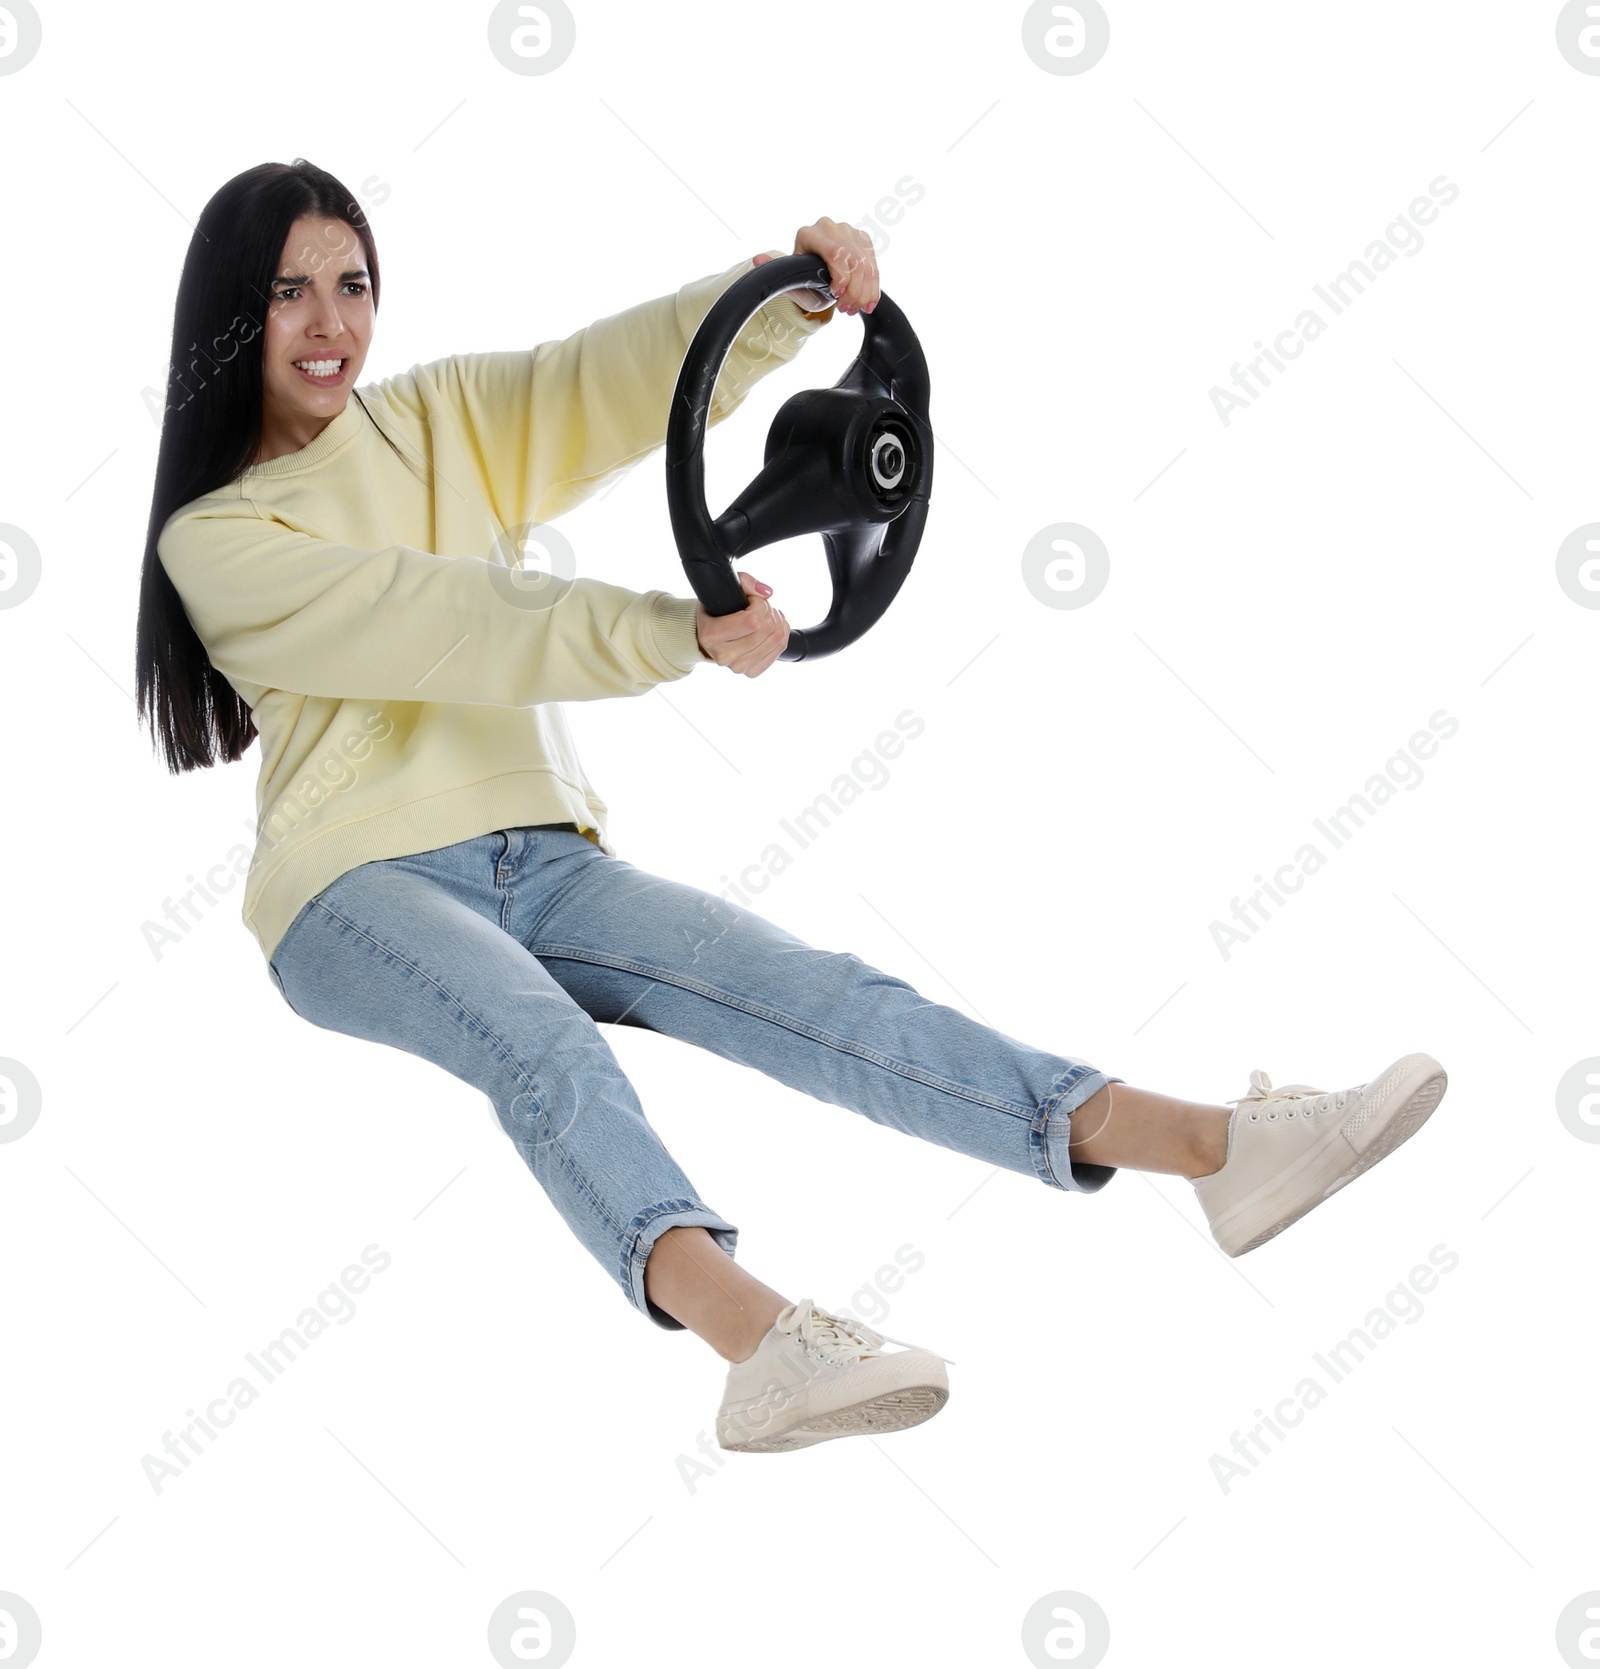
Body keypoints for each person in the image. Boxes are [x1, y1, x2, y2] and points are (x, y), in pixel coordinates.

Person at [135, 159, 1448, 1455]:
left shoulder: (435, 420)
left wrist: (790, 299)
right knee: (542, 1043)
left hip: (540, 853)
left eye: (353, 284)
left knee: (823, 993)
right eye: (289, 293)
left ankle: (1223, 1149)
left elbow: (608, 376)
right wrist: (676, 634)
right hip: (351, 888)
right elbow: (441, 628)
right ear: (228, 318)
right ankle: (765, 1347)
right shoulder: (217, 540)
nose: (331, 324)